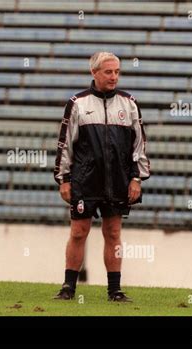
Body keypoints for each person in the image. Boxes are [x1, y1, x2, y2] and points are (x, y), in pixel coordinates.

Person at [53, 52, 150, 302]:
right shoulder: (77, 103)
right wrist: (63, 179)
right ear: (94, 73)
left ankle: (114, 290)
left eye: (117, 71)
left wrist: (136, 178)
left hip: (118, 179)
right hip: (85, 180)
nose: (114, 76)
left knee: (114, 233)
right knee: (78, 232)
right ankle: (68, 288)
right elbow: (65, 145)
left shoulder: (129, 103)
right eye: (108, 72)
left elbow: (139, 145)